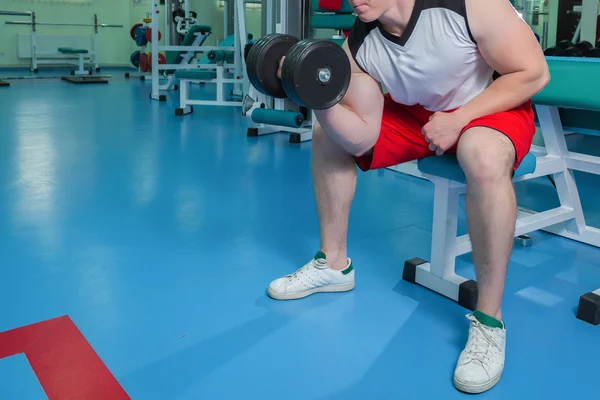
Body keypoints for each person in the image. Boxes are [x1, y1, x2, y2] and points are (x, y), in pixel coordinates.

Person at [268, 0, 549, 394]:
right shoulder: (362, 43)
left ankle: (489, 320)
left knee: (482, 158)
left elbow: (533, 72)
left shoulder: (469, 5)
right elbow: (362, 134)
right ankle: (334, 266)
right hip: (422, 115)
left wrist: (459, 119)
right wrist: (316, 96)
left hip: (490, 106)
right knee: (326, 135)